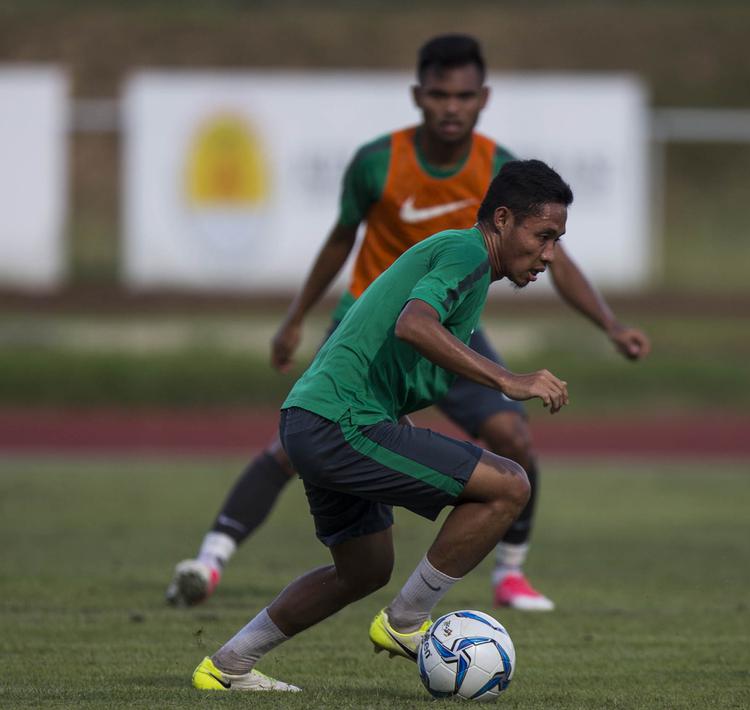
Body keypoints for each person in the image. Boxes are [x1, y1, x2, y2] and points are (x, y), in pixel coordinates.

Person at [166, 34, 650, 613]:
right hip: (373, 322)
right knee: (302, 442)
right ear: (419, 96)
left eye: (464, 96)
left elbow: (555, 256)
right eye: (440, 94)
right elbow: (341, 241)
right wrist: (296, 317)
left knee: (513, 438)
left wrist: (609, 324)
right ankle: (211, 558)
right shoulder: (378, 162)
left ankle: (510, 574)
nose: (452, 107)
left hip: (451, 323)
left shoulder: (500, 170)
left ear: (483, 99)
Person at [192, 158, 574, 691]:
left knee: (365, 569)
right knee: (510, 485)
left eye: (557, 240)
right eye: (544, 236)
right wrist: (507, 379)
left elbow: (395, 351)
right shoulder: (466, 252)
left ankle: (226, 667)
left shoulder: (467, 270)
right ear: (503, 219)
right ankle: (406, 622)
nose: (550, 254)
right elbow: (413, 324)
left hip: (314, 420)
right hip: (341, 423)